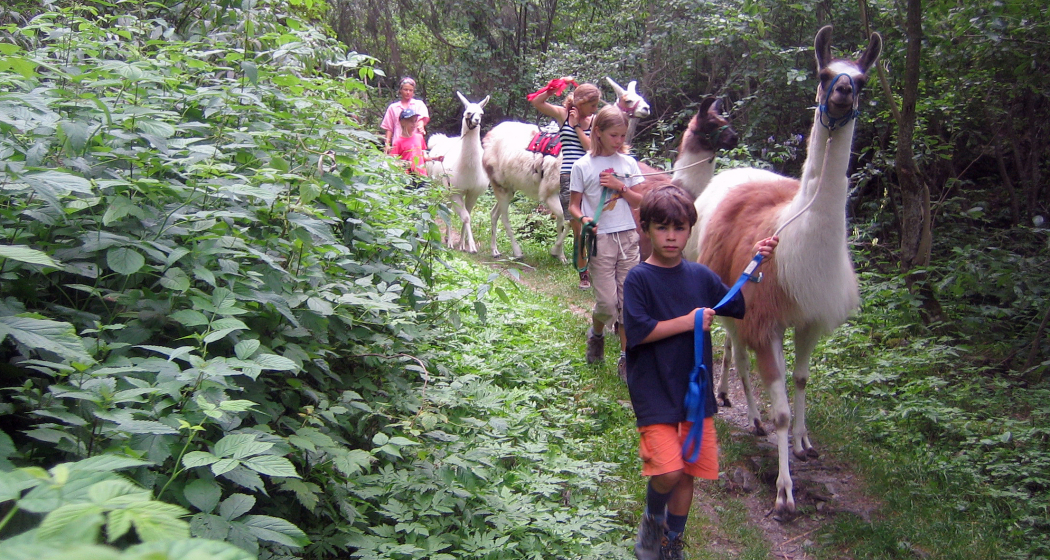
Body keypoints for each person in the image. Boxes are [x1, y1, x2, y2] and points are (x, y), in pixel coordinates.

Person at [622, 185, 778, 560]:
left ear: (690, 229)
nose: (671, 236)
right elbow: (639, 333)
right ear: (646, 229)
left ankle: (672, 542)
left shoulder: (701, 276)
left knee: (687, 473)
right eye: (661, 228)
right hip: (655, 390)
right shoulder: (638, 279)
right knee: (668, 471)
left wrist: (756, 265)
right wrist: (689, 321)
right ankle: (651, 520)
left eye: (679, 228)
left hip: (695, 392)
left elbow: (736, 303)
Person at [568, 105, 644, 373]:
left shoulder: (629, 164)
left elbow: (641, 201)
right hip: (600, 241)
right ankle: (597, 333)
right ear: (597, 132)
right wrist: (584, 220)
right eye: (614, 135)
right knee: (607, 304)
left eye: (623, 136)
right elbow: (574, 206)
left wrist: (620, 186)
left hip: (628, 237)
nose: (620, 141)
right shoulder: (582, 166)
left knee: (628, 303)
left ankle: (625, 358)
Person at [529, 78, 601, 289]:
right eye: (592, 105)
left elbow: (590, 148)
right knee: (579, 228)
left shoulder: (595, 120)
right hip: (569, 178)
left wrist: (578, 125)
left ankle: (597, 268)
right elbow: (537, 102)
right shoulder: (562, 114)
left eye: (596, 106)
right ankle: (583, 273)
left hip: (590, 177)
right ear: (580, 102)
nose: (595, 109)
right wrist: (556, 86)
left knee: (594, 226)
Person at [381, 77, 430, 155]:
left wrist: (421, 126)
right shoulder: (393, 108)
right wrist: (387, 145)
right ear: (400, 90)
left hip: (414, 146)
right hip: (398, 145)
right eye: (405, 90)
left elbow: (422, 119)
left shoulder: (419, 104)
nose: (408, 92)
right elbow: (389, 128)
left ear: (413, 91)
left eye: (410, 90)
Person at [389, 108, 440, 181]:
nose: (413, 124)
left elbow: (422, 157)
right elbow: (392, 161)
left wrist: (436, 158)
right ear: (402, 122)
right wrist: (406, 164)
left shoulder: (419, 137)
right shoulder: (398, 142)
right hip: (407, 178)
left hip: (422, 176)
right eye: (410, 121)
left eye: (415, 121)